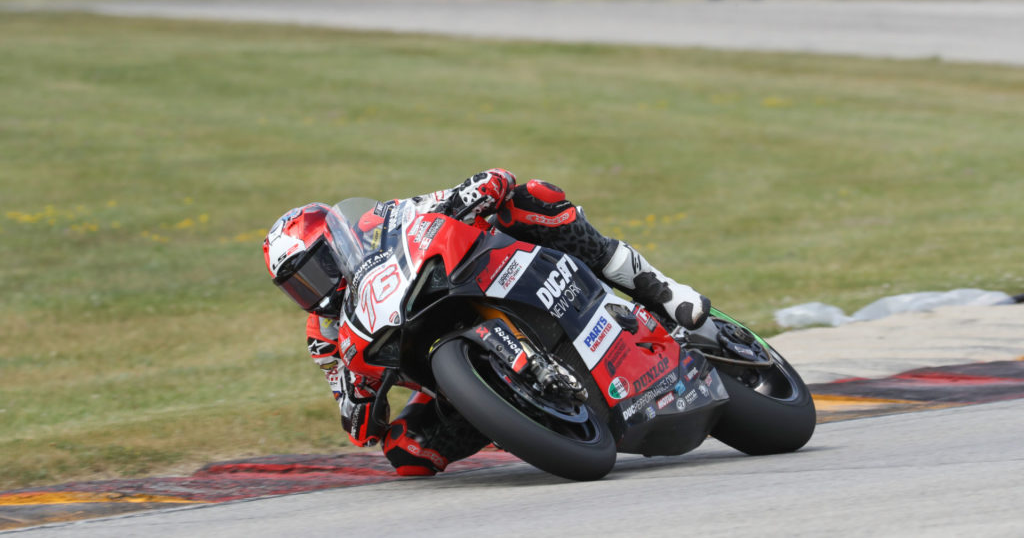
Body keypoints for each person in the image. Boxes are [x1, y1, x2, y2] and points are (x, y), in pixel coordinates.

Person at [262, 169, 710, 476]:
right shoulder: (323, 338)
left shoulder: (376, 222)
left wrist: (472, 190)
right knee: (405, 451)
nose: (314, 290)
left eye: (316, 270)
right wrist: (357, 405)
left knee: (533, 200)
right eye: (297, 286)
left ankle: (657, 287)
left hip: (475, 276)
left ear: (336, 243)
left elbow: (435, 204)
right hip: (439, 366)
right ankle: (511, 417)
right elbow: (354, 415)